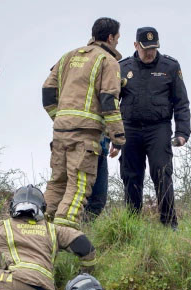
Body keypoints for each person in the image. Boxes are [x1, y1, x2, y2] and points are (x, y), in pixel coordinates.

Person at [42, 18, 126, 229]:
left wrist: (59, 117)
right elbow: (109, 101)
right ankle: (64, 236)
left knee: (57, 184)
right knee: (78, 187)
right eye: (117, 38)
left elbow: (47, 92)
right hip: (85, 136)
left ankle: (37, 231)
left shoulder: (67, 57)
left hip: (60, 132)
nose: (117, 42)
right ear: (110, 37)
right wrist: (118, 137)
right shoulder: (108, 61)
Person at [118, 27, 190, 228]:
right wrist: (113, 136)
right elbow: (112, 103)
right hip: (130, 129)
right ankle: (132, 225)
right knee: (131, 176)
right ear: (135, 46)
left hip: (158, 129)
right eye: (145, 48)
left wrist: (182, 132)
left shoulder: (170, 66)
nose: (150, 53)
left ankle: (169, 224)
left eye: (153, 48)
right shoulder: (122, 68)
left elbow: (181, 102)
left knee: (162, 172)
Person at [84, 136, 110, 219]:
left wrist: (117, 143)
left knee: (99, 200)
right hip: (84, 151)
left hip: (102, 151)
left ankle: (85, 227)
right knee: (79, 196)